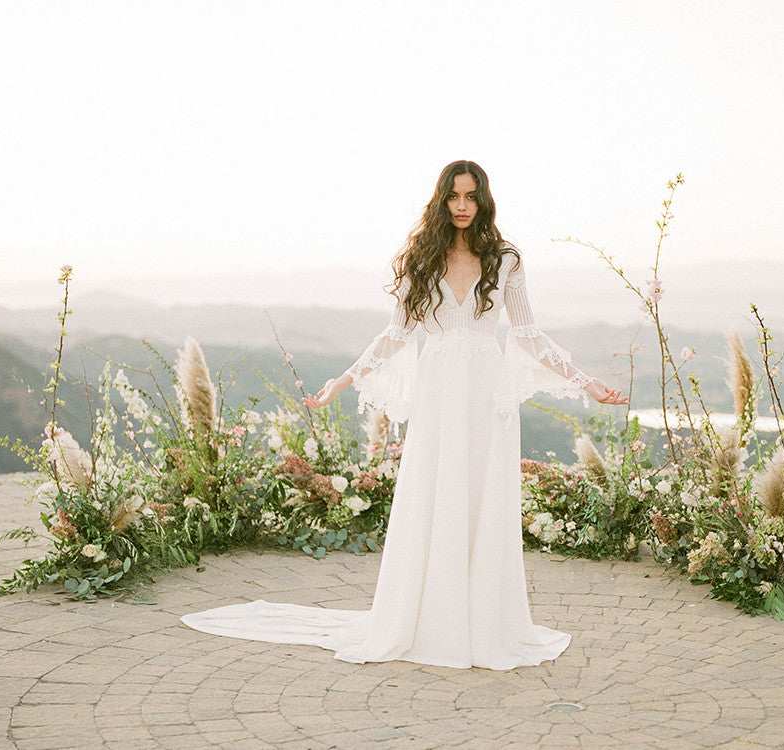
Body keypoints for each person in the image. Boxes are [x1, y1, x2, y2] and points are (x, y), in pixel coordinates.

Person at [180, 160, 628, 670]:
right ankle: (430, 620)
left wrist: (586, 382)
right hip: (439, 396)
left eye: (470, 197)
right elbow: (395, 334)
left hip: (486, 397)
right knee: (437, 494)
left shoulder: (506, 260)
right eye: (453, 197)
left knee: (482, 498)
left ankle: (485, 622)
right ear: (441, 200)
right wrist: (342, 381)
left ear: (484, 200)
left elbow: (528, 334)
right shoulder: (421, 258)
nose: (462, 206)